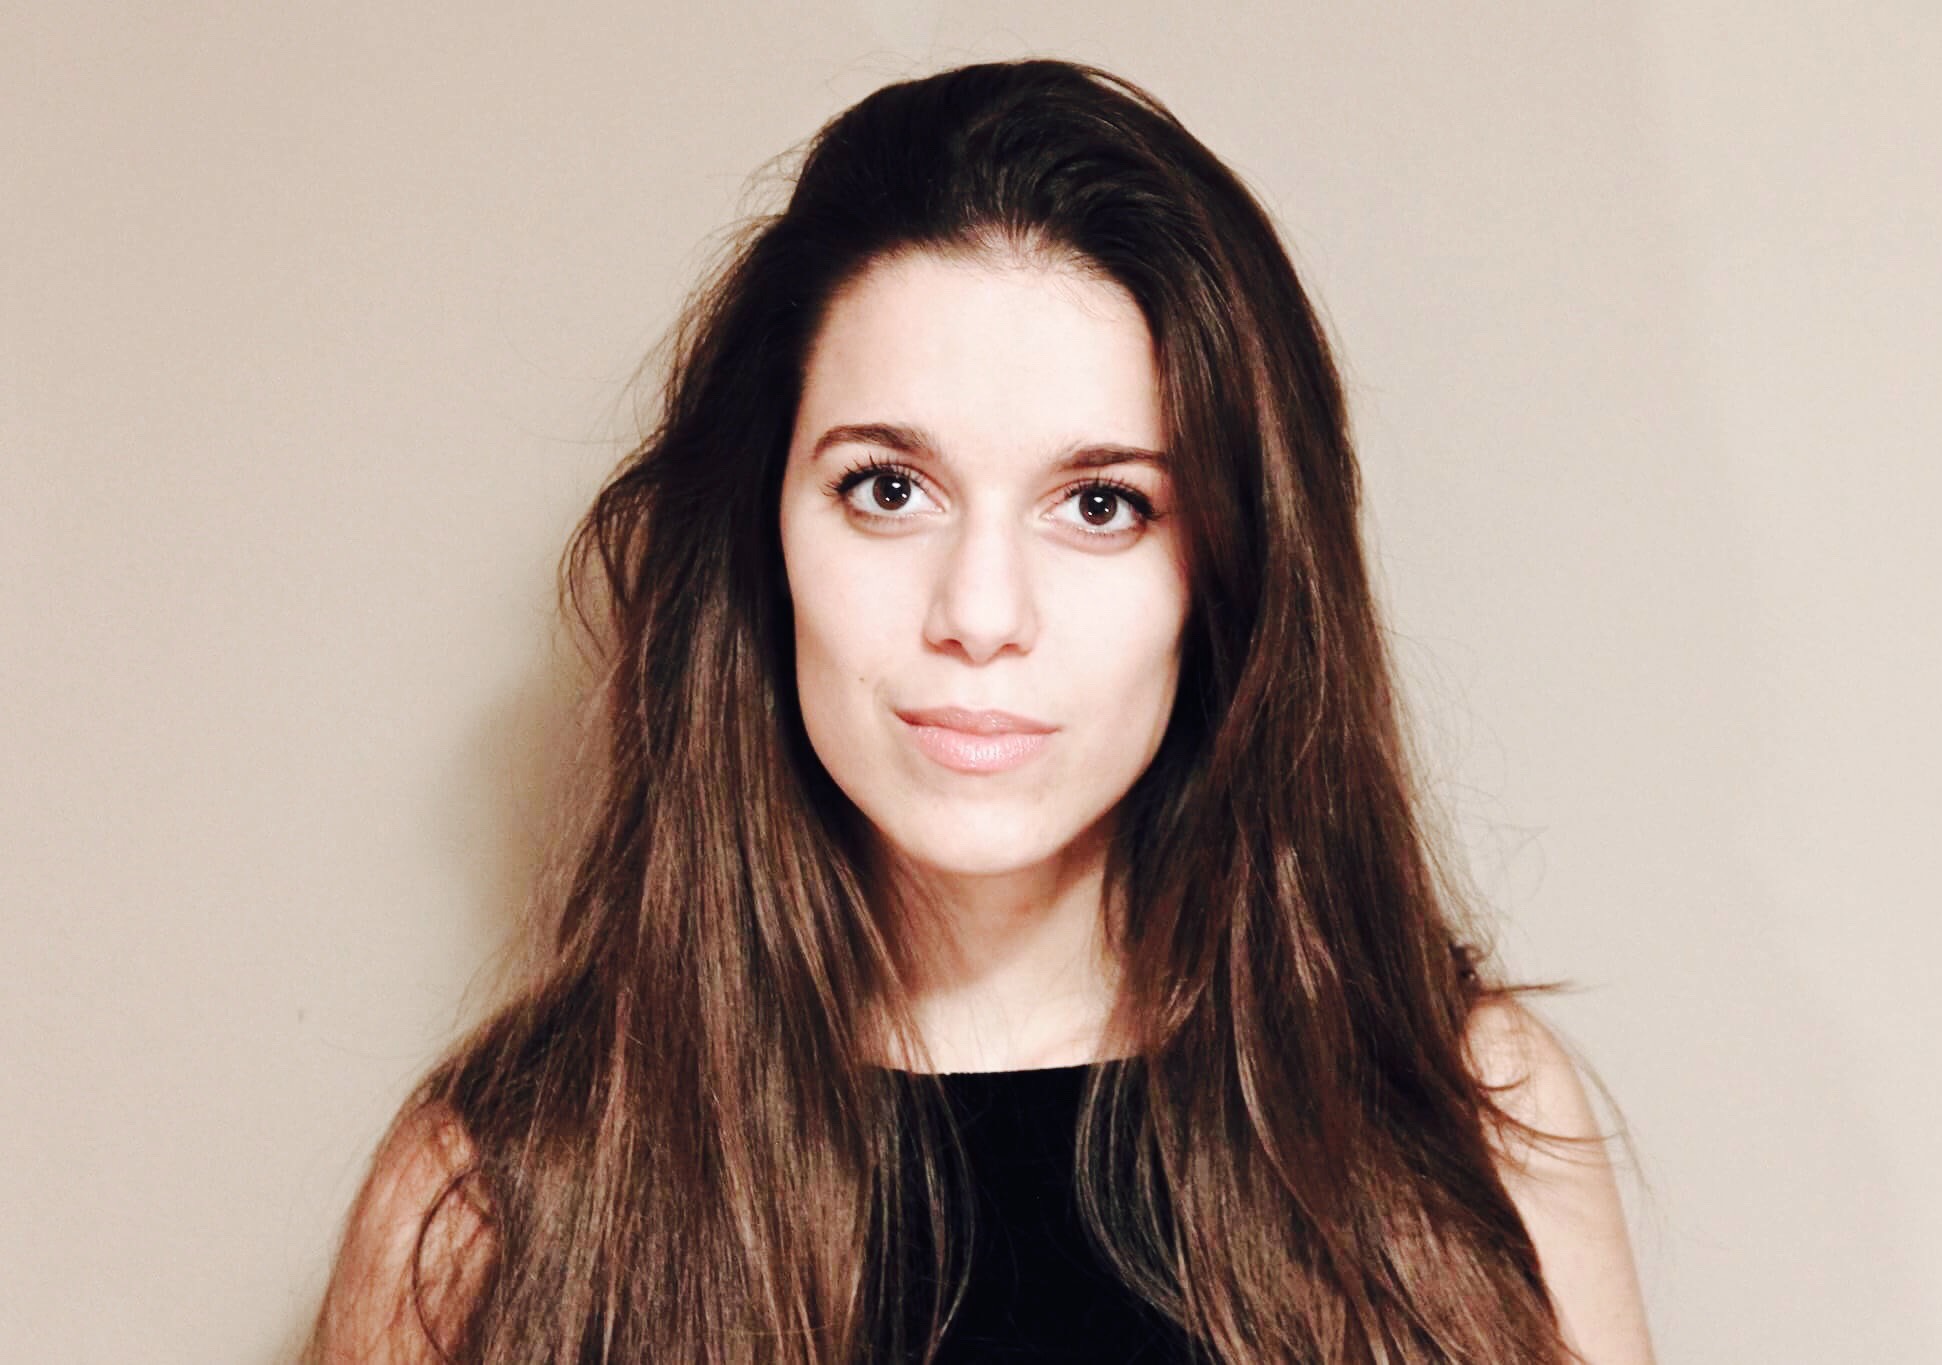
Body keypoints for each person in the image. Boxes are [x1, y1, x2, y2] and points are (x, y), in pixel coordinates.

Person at [309, 58, 1655, 1364]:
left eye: (1102, 504)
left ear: (1233, 574)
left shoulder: (1474, 1121)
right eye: (888, 488)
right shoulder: (492, 1196)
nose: (981, 610)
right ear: (763, 537)